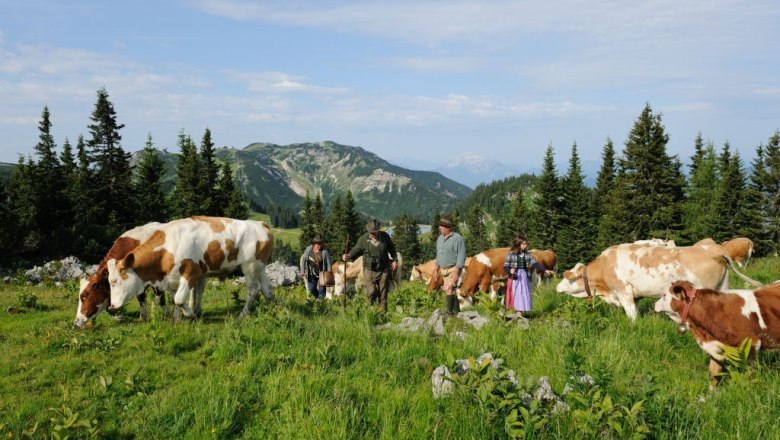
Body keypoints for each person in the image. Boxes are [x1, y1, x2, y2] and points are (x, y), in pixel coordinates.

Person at [342, 219, 398, 313]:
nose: (373, 235)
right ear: (368, 231)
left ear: (378, 231)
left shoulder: (385, 237)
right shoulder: (363, 239)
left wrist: (395, 260)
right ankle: (370, 309)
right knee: (371, 291)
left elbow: (392, 248)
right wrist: (348, 256)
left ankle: (383, 311)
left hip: (383, 268)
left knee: (383, 291)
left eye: (375, 233)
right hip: (368, 269)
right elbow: (356, 249)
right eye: (371, 233)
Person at [504, 235, 554, 317]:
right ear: (518, 244)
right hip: (515, 277)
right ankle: (518, 313)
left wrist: (545, 270)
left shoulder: (527, 255)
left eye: (526, 244)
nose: (526, 245)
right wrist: (510, 270)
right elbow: (505, 266)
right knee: (517, 294)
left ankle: (520, 313)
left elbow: (535, 263)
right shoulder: (511, 254)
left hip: (524, 276)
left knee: (523, 293)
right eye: (524, 244)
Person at [433, 214, 467, 316]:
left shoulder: (458, 238)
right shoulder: (439, 239)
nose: (439, 228)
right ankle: (457, 313)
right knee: (452, 291)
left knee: (448, 288)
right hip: (443, 270)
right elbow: (438, 255)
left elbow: (461, 256)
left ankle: (449, 313)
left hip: (454, 269)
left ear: (448, 227)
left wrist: (457, 272)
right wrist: (435, 270)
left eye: (441, 226)